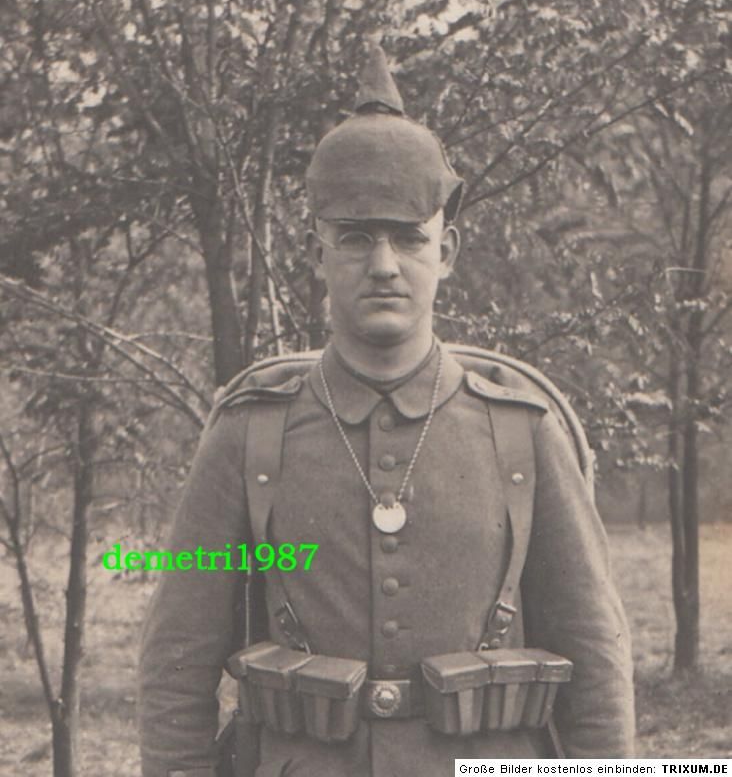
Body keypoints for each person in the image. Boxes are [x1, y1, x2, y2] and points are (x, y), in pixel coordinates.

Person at [138, 44, 635, 777]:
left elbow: (595, 656)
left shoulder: (522, 432)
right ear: (317, 254)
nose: (383, 265)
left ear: (448, 251)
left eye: (408, 238)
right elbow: (177, 659)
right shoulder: (249, 434)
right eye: (355, 238)